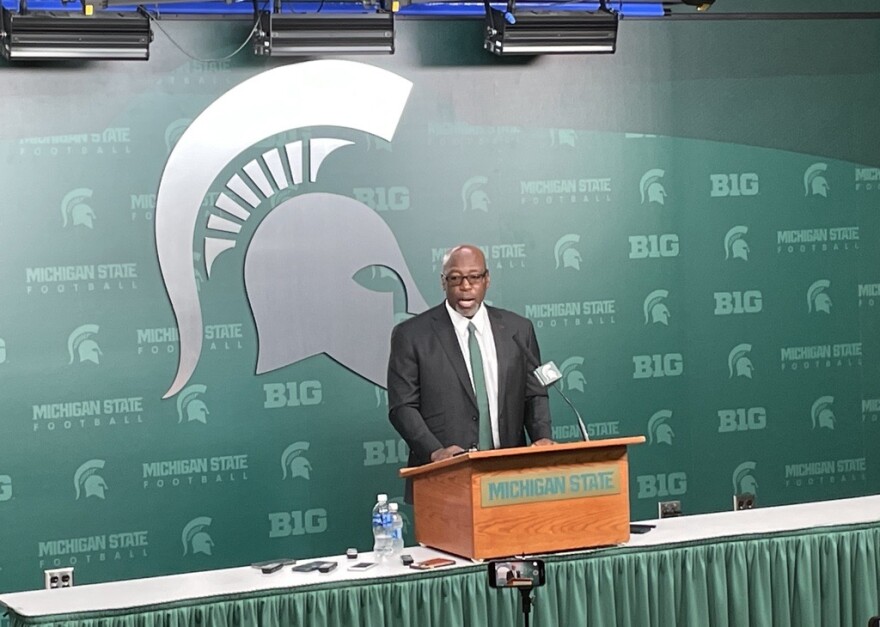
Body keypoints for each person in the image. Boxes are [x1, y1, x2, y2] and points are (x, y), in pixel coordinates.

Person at [387, 244, 553, 500]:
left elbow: (535, 394)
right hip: (443, 477)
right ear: (443, 282)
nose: (465, 286)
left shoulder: (518, 329)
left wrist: (542, 439)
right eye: (455, 278)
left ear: (487, 279)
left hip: (510, 479)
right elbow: (402, 407)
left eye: (474, 277)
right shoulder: (411, 335)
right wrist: (435, 453)